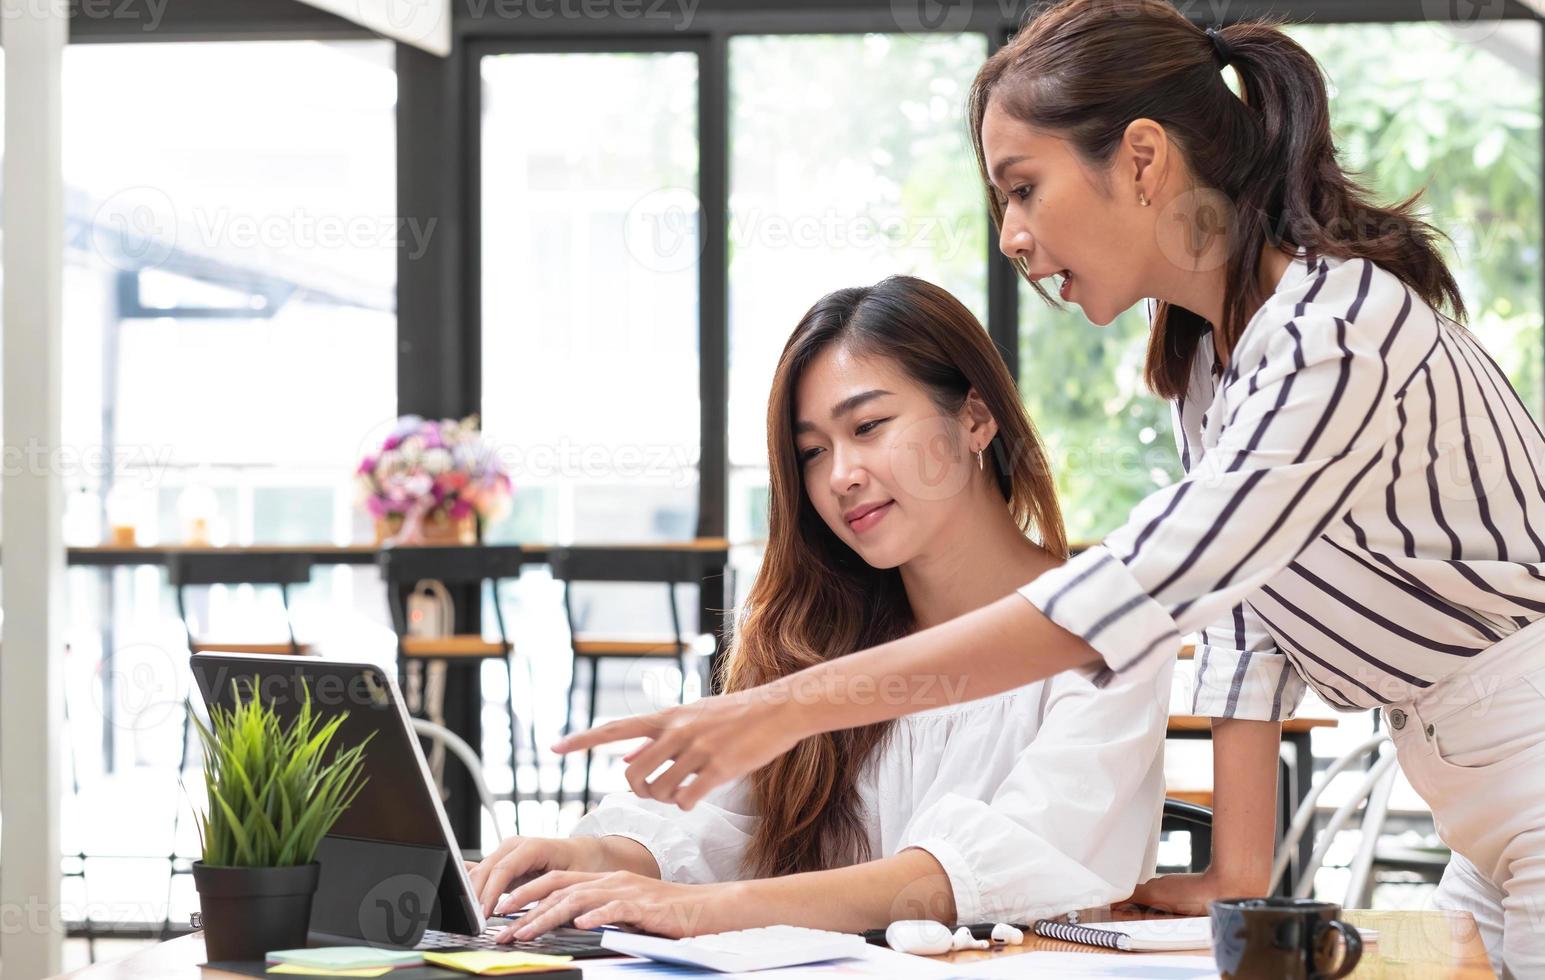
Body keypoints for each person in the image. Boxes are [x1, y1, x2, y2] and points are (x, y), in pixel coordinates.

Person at [559, 3, 1545, 975]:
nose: (1012, 237)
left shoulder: (1331, 333)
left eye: (1024, 188)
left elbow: (1146, 584)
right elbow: (1243, 614)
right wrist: (1234, 873)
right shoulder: (1214, 360)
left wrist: (782, 709)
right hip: (1479, 802)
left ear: (1144, 160)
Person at [469, 276, 1172, 940]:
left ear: (976, 418)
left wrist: (707, 910)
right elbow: (709, 827)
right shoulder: (817, 640)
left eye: (867, 426)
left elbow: (991, 872)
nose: (840, 476)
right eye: (811, 452)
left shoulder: (1106, 629)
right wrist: (584, 857)